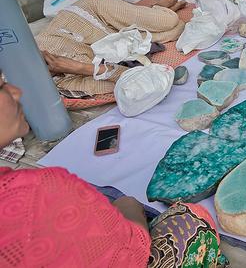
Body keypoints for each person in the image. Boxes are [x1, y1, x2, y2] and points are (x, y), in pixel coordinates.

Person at [0, 75, 224, 267]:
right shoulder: (42, 189)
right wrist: (129, 207)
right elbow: (131, 250)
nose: (16, 91)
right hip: (128, 249)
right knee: (193, 217)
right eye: (1, 87)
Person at [37, 0, 185, 96]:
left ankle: (155, 8)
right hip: (118, 38)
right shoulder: (64, 84)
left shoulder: (35, 47)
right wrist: (80, 68)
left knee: (170, 21)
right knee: (176, 31)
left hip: (92, 12)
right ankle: (150, 13)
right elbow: (128, 80)